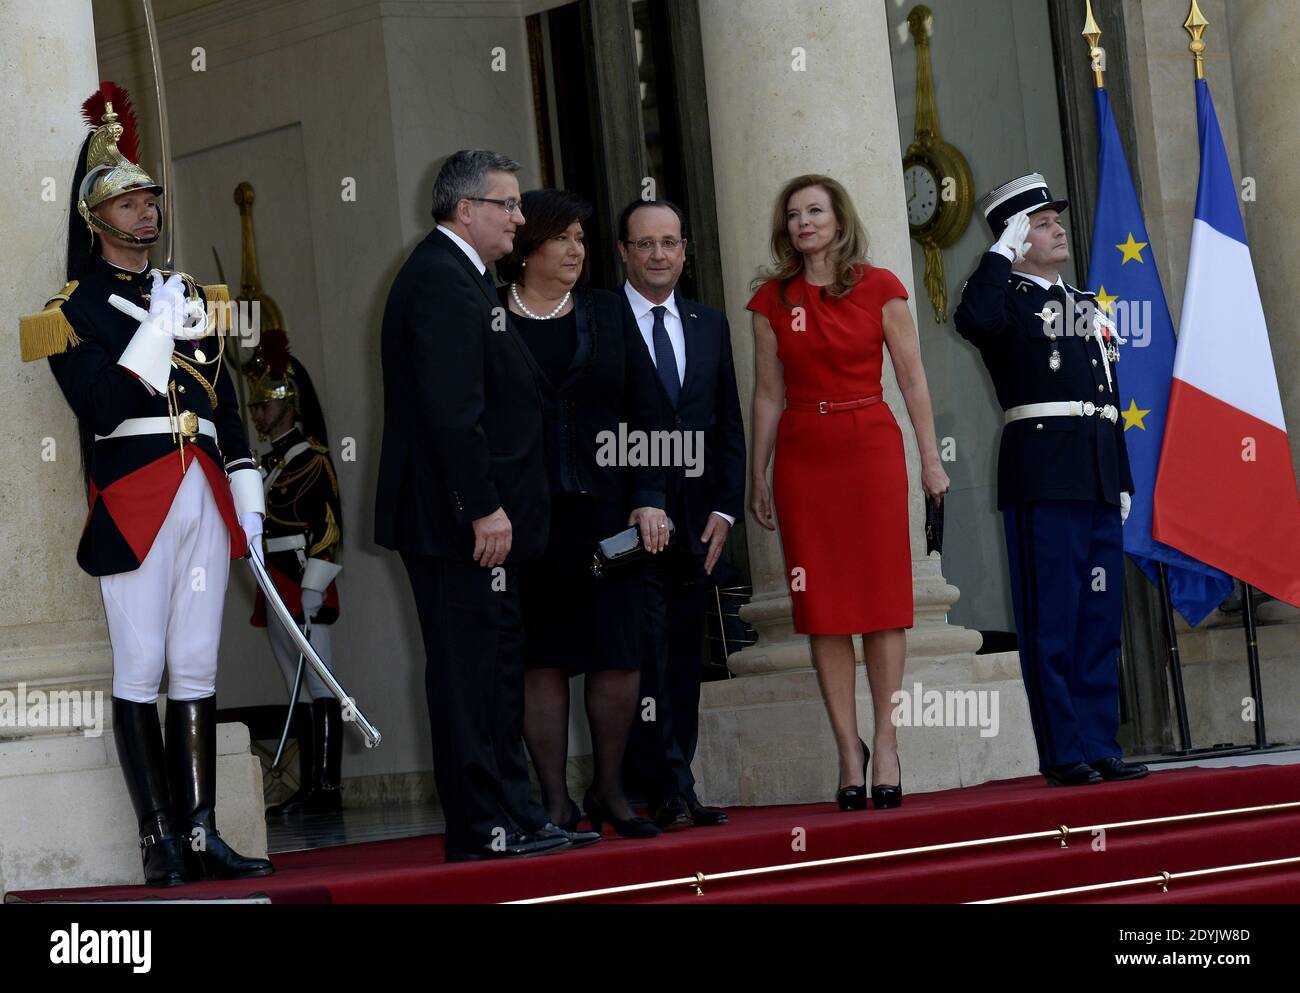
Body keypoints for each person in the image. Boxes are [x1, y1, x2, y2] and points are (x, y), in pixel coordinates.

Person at [21, 83, 272, 884]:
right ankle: (157, 836)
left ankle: (201, 834)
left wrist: (249, 498)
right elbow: (97, 407)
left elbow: (226, 406)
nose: (146, 211)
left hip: (201, 486)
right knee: (139, 667)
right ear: (96, 220)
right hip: (135, 492)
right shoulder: (74, 309)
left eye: (149, 199)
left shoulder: (196, 295)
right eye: (128, 202)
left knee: (196, 664)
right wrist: (156, 331)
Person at [374, 150, 597, 860]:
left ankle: (519, 814)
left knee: (498, 668)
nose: (520, 219)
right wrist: (482, 507)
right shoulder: (440, 280)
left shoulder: (462, 277)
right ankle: (483, 827)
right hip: (455, 523)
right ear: (465, 210)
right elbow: (451, 411)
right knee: (470, 675)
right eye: (508, 205)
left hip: (476, 521)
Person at [746, 174, 949, 812]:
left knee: (883, 601)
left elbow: (913, 381)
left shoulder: (881, 287)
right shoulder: (770, 301)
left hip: (869, 446)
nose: (805, 222)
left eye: (816, 211)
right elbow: (767, 393)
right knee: (823, 609)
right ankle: (847, 749)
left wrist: (930, 461)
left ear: (839, 219)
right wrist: (759, 470)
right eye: (794, 214)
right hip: (804, 456)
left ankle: (886, 742)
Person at [953, 172, 1147, 787]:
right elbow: (973, 321)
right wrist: (999, 253)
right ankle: (1064, 751)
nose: (1058, 228)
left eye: (1057, 220)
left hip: (1094, 476)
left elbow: (1108, 399)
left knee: (1098, 617)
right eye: (1041, 222)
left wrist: (1121, 480)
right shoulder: (1000, 297)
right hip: (1044, 476)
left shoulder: (1085, 305)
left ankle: (1099, 742)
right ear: (1015, 234)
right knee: (1053, 619)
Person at [496, 189, 667, 840]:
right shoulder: (490, 318)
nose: (575, 249)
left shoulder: (606, 311)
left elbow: (649, 409)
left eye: (581, 238)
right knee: (541, 660)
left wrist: (651, 494)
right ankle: (553, 800)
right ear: (526, 248)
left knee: (618, 655)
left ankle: (611, 789)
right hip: (525, 520)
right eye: (561, 238)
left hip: (608, 514)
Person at [616, 198, 745, 831]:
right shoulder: (600, 319)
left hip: (698, 526)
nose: (659, 255)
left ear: (684, 250)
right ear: (624, 252)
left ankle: (682, 783)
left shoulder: (709, 323)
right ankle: (657, 785)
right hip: (627, 523)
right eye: (645, 244)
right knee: (642, 657)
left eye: (669, 242)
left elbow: (727, 424)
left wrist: (725, 507)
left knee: (685, 659)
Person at [244, 329, 345, 816]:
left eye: (264, 405)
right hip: (272, 582)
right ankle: (310, 787)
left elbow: (328, 528)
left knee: (322, 684)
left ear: (288, 404)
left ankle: (328, 789)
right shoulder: (270, 464)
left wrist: (313, 590)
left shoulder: (311, 461)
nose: (258, 414)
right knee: (296, 687)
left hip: (304, 583)